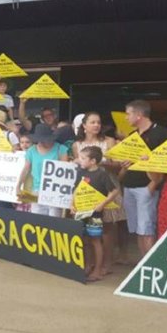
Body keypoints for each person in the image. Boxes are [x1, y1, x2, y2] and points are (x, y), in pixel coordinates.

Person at [72, 112, 126, 273]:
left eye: (99, 122)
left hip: (107, 186)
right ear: (84, 125)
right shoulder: (77, 145)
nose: (96, 125)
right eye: (93, 122)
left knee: (108, 228)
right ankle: (91, 263)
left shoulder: (109, 141)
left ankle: (106, 264)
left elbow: (118, 165)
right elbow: (80, 168)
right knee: (88, 229)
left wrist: (101, 163)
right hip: (86, 191)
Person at [120, 100, 167, 257]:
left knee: (147, 228)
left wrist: (153, 184)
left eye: (128, 114)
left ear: (139, 115)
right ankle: (143, 265)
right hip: (130, 186)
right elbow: (131, 159)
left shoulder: (162, 134)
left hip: (147, 186)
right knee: (137, 229)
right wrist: (126, 162)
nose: (126, 118)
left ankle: (150, 264)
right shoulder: (133, 135)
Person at [72, 146, 120, 282]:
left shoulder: (102, 174)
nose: (79, 160)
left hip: (95, 213)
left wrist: (102, 204)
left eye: (82, 158)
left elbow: (114, 191)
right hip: (81, 211)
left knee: (95, 240)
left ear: (92, 161)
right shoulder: (80, 172)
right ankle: (88, 265)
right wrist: (72, 204)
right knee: (85, 239)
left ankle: (98, 270)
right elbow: (76, 189)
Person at [17, 124, 69, 216]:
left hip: (55, 190)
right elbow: (25, 169)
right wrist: (18, 186)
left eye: (45, 140)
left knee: (54, 221)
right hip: (36, 190)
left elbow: (65, 170)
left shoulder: (60, 149)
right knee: (37, 221)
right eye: (39, 140)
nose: (42, 142)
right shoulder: (31, 151)